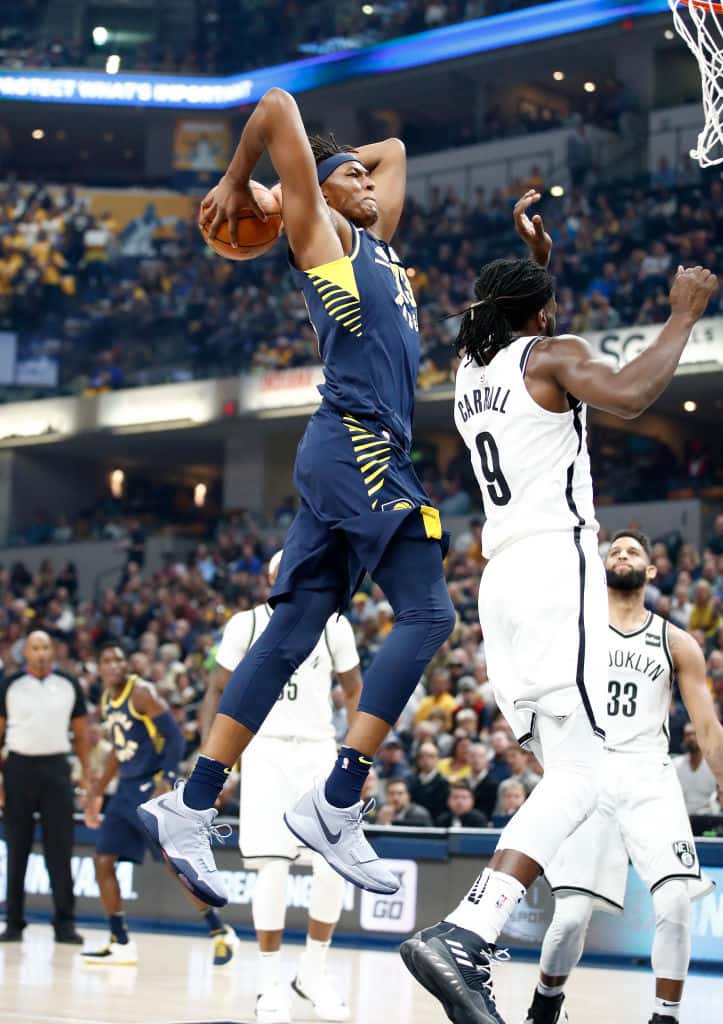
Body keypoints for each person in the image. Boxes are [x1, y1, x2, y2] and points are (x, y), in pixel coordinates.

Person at [400, 190, 717, 1024]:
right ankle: (466, 935)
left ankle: (472, 932)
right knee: (583, 772)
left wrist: (536, 265)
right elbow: (628, 393)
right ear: (537, 315)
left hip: (498, 585)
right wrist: (682, 315)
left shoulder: (473, 371)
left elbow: (513, 328)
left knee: (574, 769)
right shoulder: (551, 354)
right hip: (553, 570)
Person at [138, 85, 455, 904]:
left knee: (290, 634)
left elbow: (395, 152)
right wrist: (247, 183)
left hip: (345, 450)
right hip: (359, 442)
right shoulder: (325, 236)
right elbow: (277, 104)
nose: (372, 185)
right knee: (428, 612)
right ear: (321, 193)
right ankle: (338, 798)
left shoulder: (375, 236)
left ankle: (190, 802)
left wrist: (339, 162)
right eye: (352, 179)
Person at [525, 531, 723, 1024]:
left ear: (652, 571)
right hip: (588, 770)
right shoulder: (577, 631)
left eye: (633, 551)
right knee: (570, 917)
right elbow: (538, 704)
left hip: (649, 773)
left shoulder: (677, 641)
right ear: (603, 567)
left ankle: (665, 1016)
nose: (622, 555)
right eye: (614, 550)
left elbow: (707, 728)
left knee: (676, 900)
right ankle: (545, 1007)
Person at [201, 550, 363, 1024]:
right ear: (272, 580)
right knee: (272, 868)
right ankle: (269, 983)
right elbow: (217, 688)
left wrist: (357, 754)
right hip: (265, 749)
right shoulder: (246, 625)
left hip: (319, 750)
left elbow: (354, 689)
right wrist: (213, 759)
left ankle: (313, 972)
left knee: (333, 864)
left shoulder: (334, 625)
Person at [82, 644, 238, 967]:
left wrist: (164, 779)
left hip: (147, 788)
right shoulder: (107, 700)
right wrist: (97, 788)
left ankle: (221, 932)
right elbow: (118, 750)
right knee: (102, 859)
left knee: (174, 864)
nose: (113, 665)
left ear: (127, 664)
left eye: (118, 658)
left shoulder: (141, 693)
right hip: (124, 789)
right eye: (106, 660)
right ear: (99, 668)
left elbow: (175, 737)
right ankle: (119, 942)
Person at [0, 631, 89, 944]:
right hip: (18, 768)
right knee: (16, 849)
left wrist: (87, 774)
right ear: (26, 652)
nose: (40, 653)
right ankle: (13, 921)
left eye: (45, 647)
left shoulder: (68, 684)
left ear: (53, 651)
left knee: (60, 850)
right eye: (35, 647)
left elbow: (81, 734)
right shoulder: (9, 684)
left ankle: (64, 923)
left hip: (56, 769)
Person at [675, 722, 718, 815]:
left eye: (695, 734)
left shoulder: (714, 765)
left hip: (709, 817)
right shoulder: (676, 764)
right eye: (687, 735)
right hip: (683, 816)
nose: (691, 738)